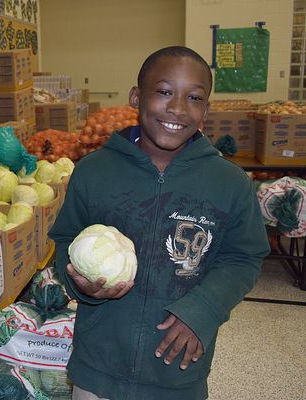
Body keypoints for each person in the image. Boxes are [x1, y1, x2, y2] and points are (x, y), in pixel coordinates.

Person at [49, 46, 270, 400]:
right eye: (164, 92)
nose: (178, 109)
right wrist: (79, 284)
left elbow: (244, 257)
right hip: (98, 367)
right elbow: (64, 239)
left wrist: (204, 310)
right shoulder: (94, 172)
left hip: (178, 372)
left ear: (206, 109)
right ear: (137, 97)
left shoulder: (229, 183)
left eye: (194, 97)